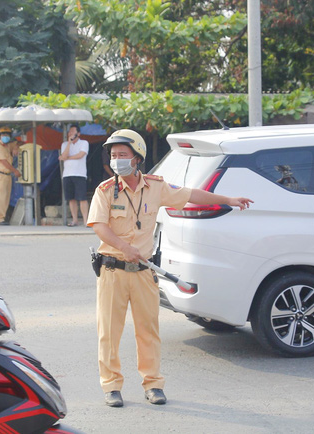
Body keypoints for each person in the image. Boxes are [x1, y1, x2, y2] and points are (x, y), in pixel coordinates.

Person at [86, 129, 253, 408]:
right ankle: (111, 386)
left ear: (137, 158)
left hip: (143, 272)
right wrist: (124, 247)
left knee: (148, 331)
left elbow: (190, 194)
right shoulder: (104, 191)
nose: (117, 160)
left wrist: (228, 200)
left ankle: (152, 384)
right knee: (109, 332)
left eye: (122, 155)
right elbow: (100, 227)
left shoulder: (156, 187)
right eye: (114, 156)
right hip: (112, 271)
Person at [59, 124, 90, 227]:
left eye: (73, 132)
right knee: (71, 198)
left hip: (80, 174)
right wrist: (69, 143)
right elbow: (63, 156)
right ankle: (75, 220)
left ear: (78, 133)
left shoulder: (84, 143)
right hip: (67, 174)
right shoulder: (64, 144)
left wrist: (68, 158)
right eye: (70, 132)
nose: (71, 134)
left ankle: (86, 220)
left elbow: (80, 155)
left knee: (82, 198)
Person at [0, 126, 21, 225]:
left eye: (7, 135)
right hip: (0, 175)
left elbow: (19, 142)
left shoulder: (8, 146)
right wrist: (15, 171)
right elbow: (4, 162)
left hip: (7, 175)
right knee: (1, 198)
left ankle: (2, 217)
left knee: (6, 198)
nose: (5, 137)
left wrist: (16, 147)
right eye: (3, 135)